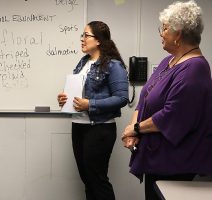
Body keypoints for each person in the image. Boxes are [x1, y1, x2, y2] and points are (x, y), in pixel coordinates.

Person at [121, 1, 212, 199]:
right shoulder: (167, 61)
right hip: (156, 159)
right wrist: (133, 129)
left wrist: (135, 129)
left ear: (178, 34)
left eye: (164, 28)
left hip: (175, 165)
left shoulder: (195, 69)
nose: (161, 33)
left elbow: (173, 115)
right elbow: (145, 98)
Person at [58, 21, 128, 200]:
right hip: (79, 125)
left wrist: (90, 104)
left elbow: (121, 98)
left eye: (86, 35)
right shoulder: (83, 62)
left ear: (98, 40)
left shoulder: (113, 65)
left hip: (99, 127)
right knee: (87, 179)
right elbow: (79, 92)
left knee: (97, 180)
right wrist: (64, 99)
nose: (82, 39)